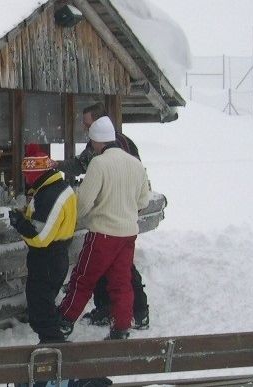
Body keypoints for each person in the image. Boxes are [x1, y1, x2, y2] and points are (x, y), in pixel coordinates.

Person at [55, 103, 150, 330]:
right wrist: (125, 210)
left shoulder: (98, 163)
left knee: (83, 278)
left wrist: (75, 217)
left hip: (103, 235)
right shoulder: (135, 164)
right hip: (127, 234)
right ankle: (121, 327)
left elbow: (85, 201)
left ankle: (64, 321)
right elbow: (143, 201)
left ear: (98, 140)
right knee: (121, 283)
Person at [9, 148, 77, 344]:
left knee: (40, 313)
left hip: (48, 259)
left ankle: (55, 351)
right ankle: (51, 346)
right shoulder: (54, 187)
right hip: (53, 257)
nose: (26, 180)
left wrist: (19, 222)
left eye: (27, 175)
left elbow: (40, 236)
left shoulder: (50, 194)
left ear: (35, 173)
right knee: (43, 309)